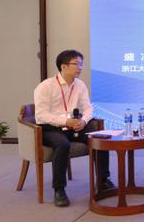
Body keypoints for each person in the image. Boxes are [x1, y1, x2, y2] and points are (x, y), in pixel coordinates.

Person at [33, 50, 113, 207]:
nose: (80, 67)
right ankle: (59, 190)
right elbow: (41, 115)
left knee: (99, 138)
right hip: (50, 128)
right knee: (62, 144)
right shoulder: (45, 87)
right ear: (63, 66)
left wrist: (83, 121)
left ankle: (103, 180)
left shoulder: (80, 85)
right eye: (76, 64)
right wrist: (65, 121)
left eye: (81, 64)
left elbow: (88, 108)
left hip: (74, 126)